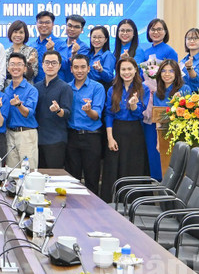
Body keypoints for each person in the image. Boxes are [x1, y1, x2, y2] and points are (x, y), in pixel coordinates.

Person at [101, 57, 150, 201]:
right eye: (123, 69)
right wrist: (110, 138)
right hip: (116, 130)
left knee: (133, 167)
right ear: (118, 71)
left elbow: (139, 113)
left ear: (136, 70)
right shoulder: (112, 89)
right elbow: (109, 114)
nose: (126, 72)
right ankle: (111, 203)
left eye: (129, 69)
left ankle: (133, 203)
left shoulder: (143, 89)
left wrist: (134, 105)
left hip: (135, 132)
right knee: (113, 168)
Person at [65, 54, 106, 195]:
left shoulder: (97, 88)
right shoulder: (66, 88)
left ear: (89, 69)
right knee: (72, 179)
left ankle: (92, 214)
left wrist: (88, 111)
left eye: (83, 67)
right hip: (72, 137)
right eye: (76, 67)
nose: (79, 70)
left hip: (91, 138)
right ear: (71, 69)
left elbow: (96, 116)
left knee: (92, 179)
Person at [34, 50, 73, 169]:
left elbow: (67, 113)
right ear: (42, 64)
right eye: (47, 62)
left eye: (54, 63)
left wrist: (58, 110)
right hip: (37, 140)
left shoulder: (65, 87)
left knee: (55, 176)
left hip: (56, 140)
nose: (50, 66)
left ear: (60, 66)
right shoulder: (36, 87)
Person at [4, 52, 40, 169]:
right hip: (10, 134)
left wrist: (19, 104)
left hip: (26, 134)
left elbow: (27, 113)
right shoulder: (6, 90)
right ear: (8, 68)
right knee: (11, 173)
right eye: (12, 64)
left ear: (25, 68)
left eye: (19, 64)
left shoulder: (32, 90)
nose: (15, 67)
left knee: (28, 172)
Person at [32, 11, 65, 83]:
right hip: (36, 87)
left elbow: (65, 65)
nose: (44, 25)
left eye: (47, 22)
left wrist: (53, 50)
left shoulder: (61, 44)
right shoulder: (32, 46)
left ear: (53, 24)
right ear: (36, 24)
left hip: (56, 86)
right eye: (40, 22)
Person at [4, 19, 37, 87]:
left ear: (25, 34)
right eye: (15, 32)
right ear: (11, 33)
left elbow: (31, 75)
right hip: (8, 88)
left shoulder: (31, 51)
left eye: (21, 32)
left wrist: (29, 64)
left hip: (26, 88)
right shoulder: (5, 52)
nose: (18, 35)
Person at [180, 28, 199, 92]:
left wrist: (189, 68)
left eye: (195, 38)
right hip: (182, 96)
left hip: (197, 97)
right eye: (189, 38)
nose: (192, 41)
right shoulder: (183, 61)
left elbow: (196, 79)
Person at [86, 26, 116, 90]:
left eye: (100, 37)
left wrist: (101, 70)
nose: (96, 40)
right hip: (87, 87)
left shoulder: (108, 55)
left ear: (106, 39)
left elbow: (109, 78)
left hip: (101, 88)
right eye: (94, 37)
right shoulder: (88, 54)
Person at [59, 15, 87, 84]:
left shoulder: (84, 48)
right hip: (58, 86)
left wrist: (74, 54)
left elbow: (76, 67)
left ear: (82, 29)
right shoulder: (58, 45)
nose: (72, 29)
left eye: (76, 27)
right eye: (69, 25)